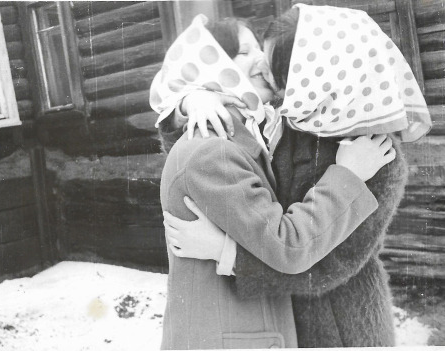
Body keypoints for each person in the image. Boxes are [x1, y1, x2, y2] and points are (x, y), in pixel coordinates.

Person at [157, 4, 432, 348]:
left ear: (317, 76)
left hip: (342, 328)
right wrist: (192, 100)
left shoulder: (379, 157)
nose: (263, 70)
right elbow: (212, 160)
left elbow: (332, 264)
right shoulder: (290, 124)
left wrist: (229, 254)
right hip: (282, 324)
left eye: (277, 73)